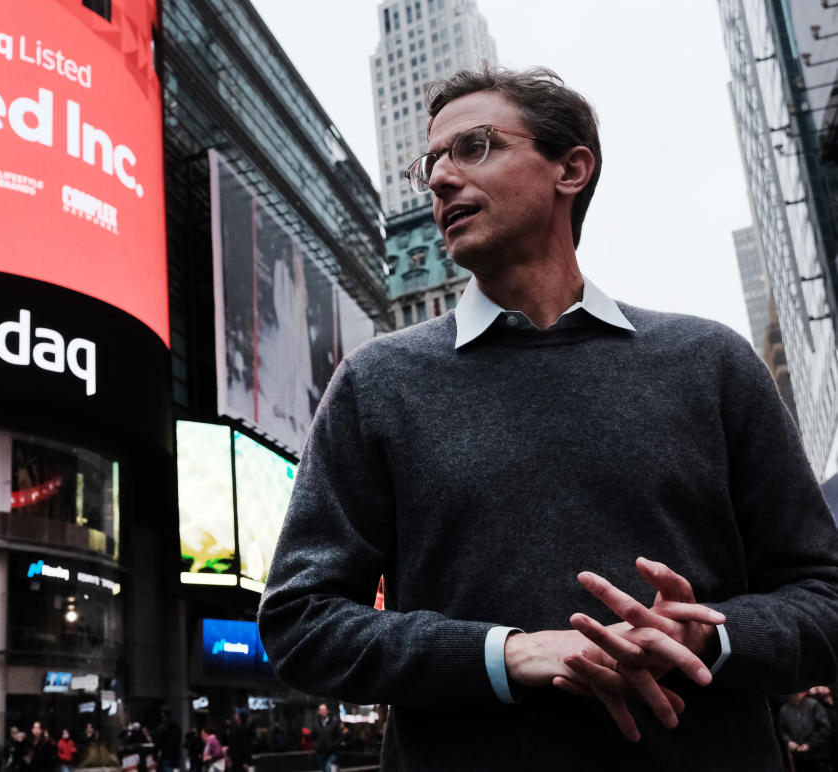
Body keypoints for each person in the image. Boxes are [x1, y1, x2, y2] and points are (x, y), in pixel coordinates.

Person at [257, 64, 838, 771]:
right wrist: (506, 654)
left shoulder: (711, 361)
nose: (440, 179)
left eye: (473, 147)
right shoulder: (377, 382)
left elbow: (823, 595)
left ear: (571, 168)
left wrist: (711, 637)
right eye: (430, 163)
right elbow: (299, 623)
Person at [779, 691, 832, 772]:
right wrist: (788, 742)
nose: (795, 694)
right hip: (799, 756)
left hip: (817, 754)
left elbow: (824, 728)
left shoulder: (813, 704)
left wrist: (810, 744)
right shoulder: (784, 710)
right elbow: (782, 730)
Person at [311, 704, 340, 772]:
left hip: (331, 752)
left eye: (324, 710)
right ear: (319, 712)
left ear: (327, 711)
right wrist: (316, 745)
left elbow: (339, 736)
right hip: (320, 752)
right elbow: (313, 737)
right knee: (323, 769)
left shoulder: (334, 723)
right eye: (321, 710)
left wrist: (334, 745)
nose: (323, 712)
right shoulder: (315, 724)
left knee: (328, 768)